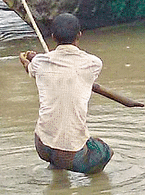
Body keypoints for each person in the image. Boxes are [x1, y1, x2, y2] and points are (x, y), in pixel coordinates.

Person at [19, 13, 112, 174]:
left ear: (53, 37)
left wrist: (26, 60)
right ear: (79, 35)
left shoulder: (40, 62)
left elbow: (32, 67)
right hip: (71, 153)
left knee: (59, 150)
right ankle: (95, 187)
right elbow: (72, 70)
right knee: (104, 152)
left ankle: (57, 172)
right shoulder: (93, 63)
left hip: (42, 145)